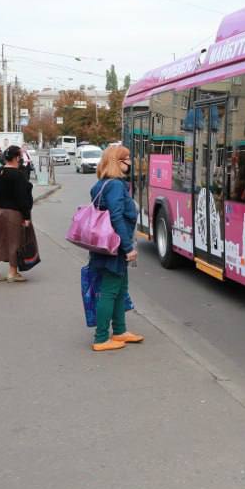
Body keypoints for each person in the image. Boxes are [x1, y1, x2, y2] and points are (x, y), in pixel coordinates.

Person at [87, 145, 142, 352]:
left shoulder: (101, 184)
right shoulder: (116, 186)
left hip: (104, 243)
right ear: (118, 162)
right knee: (110, 291)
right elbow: (116, 216)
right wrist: (127, 248)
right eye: (127, 158)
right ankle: (101, 338)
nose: (130, 162)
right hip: (115, 245)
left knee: (120, 289)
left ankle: (120, 330)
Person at [0, 145, 35, 283]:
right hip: (13, 213)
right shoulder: (18, 175)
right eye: (20, 156)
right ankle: (13, 272)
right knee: (14, 241)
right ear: (17, 158)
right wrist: (26, 216)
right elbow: (22, 198)